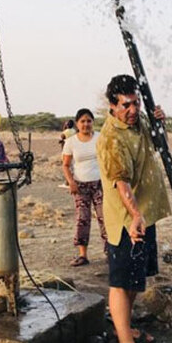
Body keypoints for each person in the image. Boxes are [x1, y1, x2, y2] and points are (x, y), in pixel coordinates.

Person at [97, 75, 171, 343]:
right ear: (112, 106)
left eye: (136, 103)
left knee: (134, 282)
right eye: (126, 105)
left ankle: (124, 325)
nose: (132, 109)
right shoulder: (112, 138)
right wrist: (136, 215)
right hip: (128, 220)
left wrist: (158, 123)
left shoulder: (137, 123)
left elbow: (157, 144)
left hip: (143, 214)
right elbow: (121, 183)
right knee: (121, 282)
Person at [62, 108, 108, 266]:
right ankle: (83, 255)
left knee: (105, 217)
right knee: (82, 219)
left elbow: (108, 159)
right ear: (77, 123)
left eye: (89, 121)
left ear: (93, 122)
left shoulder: (100, 138)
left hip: (100, 183)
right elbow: (66, 165)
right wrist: (71, 182)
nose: (86, 124)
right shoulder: (71, 142)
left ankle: (110, 252)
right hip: (80, 185)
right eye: (82, 121)